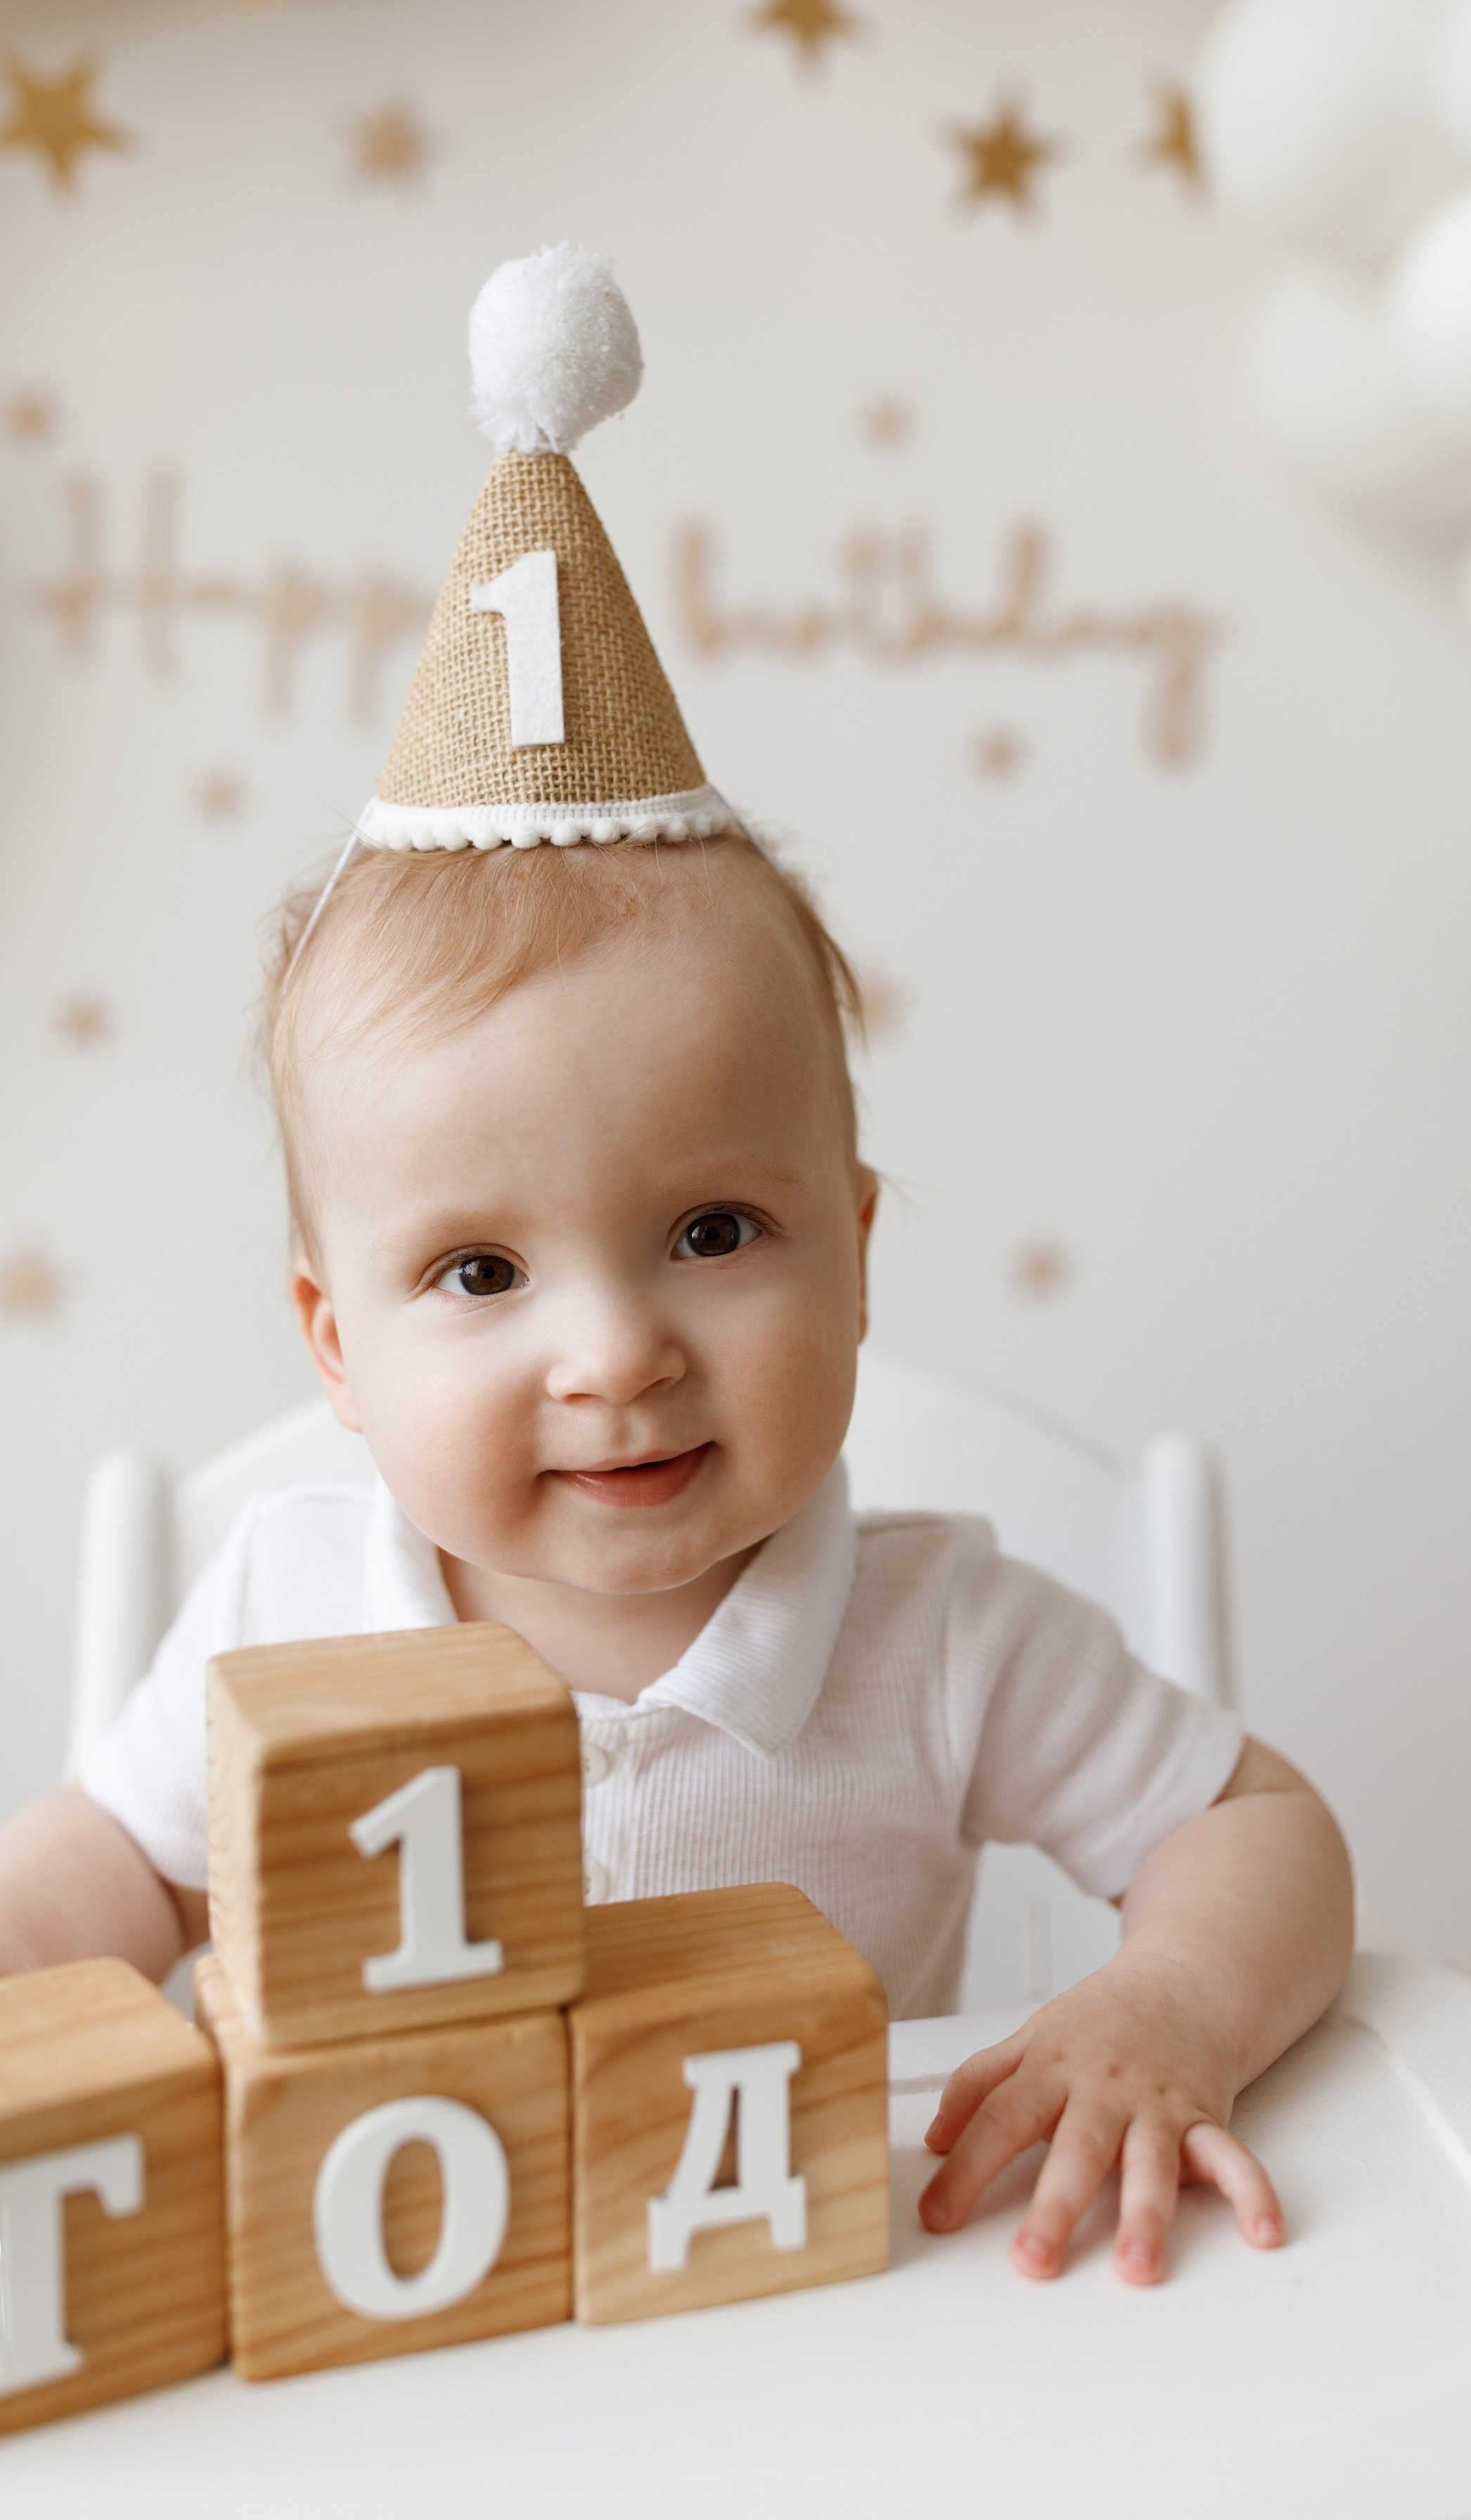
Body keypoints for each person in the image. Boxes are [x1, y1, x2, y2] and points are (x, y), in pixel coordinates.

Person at [0, 247, 1352, 2291]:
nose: (617, 1351)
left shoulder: (943, 1636)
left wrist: (1169, 2003)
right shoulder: (287, 1614)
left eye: (712, 1233)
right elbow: (90, 1882)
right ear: (332, 1343)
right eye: (476, 1273)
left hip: (820, 2336)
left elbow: (1269, 1841)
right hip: (404, 2361)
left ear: (861, 1253)